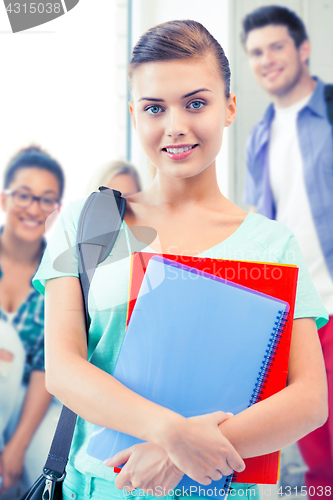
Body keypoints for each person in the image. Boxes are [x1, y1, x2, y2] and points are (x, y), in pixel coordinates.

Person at [33, 20, 328, 500]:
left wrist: (178, 451)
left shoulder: (274, 245)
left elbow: (309, 400)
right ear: (134, 115)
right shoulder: (85, 226)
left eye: (196, 103)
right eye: (154, 108)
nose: (176, 126)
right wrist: (172, 432)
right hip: (102, 489)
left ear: (229, 107)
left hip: (222, 490)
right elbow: (64, 368)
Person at [241, 5, 333, 495]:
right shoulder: (259, 135)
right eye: (256, 52)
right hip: (297, 309)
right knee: (315, 447)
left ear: (303, 50)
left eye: (276, 46)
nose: (266, 59)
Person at [0, 146, 65, 497]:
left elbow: (47, 365)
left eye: (45, 200)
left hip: (34, 404)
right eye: (24, 195)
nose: (33, 208)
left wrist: (18, 444)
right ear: (4, 199)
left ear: (55, 211)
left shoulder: (58, 275)